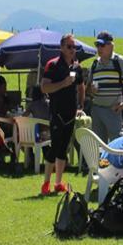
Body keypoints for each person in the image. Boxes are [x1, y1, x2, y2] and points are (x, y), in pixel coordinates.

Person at [39, 34, 85, 195]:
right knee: (55, 146)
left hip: (71, 114)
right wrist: (63, 83)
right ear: (61, 48)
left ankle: (58, 182)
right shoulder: (52, 65)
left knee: (63, 148)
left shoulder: (76, 67)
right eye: (69, 47)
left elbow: (81, 86)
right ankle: (46, 183)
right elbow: (44, 88)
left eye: (74, 47)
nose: (72, 50)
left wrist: (81, 105)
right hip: (57, 112)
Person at [87, 31, 123, 142]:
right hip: (96, 110)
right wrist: (91, 90)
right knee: (98, 147)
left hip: (113, 110)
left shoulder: (118, 61)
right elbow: (88, 89)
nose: (99, 48)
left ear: (111, 46)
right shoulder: (95, 64)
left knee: (117, 143)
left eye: (102, 45)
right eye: (97, 45)